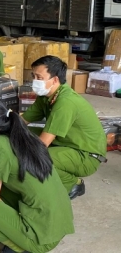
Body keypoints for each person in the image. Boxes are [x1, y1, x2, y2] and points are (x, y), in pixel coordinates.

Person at [0, 95, 74, 253]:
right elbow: (7, 166)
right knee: (1, 184)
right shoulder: (19, 135)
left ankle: (15, 246)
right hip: (56, 223)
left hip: (39, 239)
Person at [21, 55, 107, 199]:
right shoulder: (46, 95)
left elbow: (42, 144)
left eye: (39, 77)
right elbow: (22, 121)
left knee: (37, 158)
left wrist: (13, 154)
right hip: (66, 143)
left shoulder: (66, 102)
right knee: (22, 133)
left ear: (55, 80)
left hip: (86, 156)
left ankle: (74, 184)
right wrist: (0, 133)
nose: (34, 81)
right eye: (33, 76)